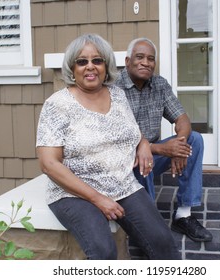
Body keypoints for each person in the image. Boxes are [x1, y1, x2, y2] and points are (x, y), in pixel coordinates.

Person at [36, 34, 181, 260]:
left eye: (97, 60)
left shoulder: (118, 94)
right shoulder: (57, 105)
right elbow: (49, 163)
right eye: (82, 61)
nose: (90, 67)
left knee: (164, 244)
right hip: (74, 193)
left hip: (123, 185)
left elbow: (131, 130)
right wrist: (97, 199)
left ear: (106, 66)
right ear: (72, 68)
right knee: (104, 251)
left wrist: (143, 143)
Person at [115, 38, 213, 242]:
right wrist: (161, 149)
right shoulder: (113, 89)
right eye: (139, 57)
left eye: (151, 59)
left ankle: (183, 215)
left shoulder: (159, 85)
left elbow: (182, 118)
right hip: (124, 161)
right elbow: (119, 138)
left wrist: (180, 144)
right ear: (127, 61)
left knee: (194, 139)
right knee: (143, 157)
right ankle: (148, 224)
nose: (146, 62)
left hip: (152, 154)